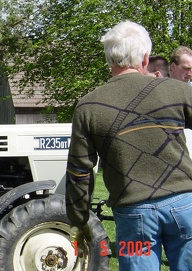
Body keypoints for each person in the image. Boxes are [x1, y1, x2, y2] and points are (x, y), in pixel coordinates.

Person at [66, 21, 192, 270]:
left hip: (133, 214)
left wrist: (78, 220)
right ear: (145, 58)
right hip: (184, 206)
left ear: (109, 60)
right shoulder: (178, 91)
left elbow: (79, 171)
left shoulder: (88, 106)